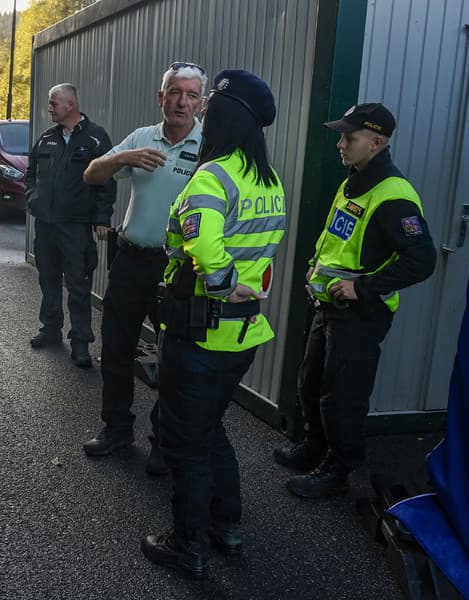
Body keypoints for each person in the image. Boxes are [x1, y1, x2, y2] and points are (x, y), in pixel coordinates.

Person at [140, 70, 286, 578]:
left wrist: (223, 283)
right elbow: (261, 253)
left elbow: (203, 245)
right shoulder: (268, 180)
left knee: (187, 442)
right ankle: (228, 525)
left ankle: (188, 545)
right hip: (241, 336)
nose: (200, 114)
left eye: (208, 109)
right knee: (213, 430)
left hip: (200, 331)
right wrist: (238, 285)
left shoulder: (213, 175)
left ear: (224, 118)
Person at [274, 103, 436, 498]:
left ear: (377, 142)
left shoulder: (393, 195)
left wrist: (363, 288)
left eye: (350, 137)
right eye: (341, 136)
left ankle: (338, 470)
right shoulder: (354, 182)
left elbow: (422, 259)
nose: (340, 144)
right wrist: (314, 267)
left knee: (342, 395)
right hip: (329, 305)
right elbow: (337, 238)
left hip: (361, 313)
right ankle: (314, 446)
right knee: (311, 382)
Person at [81, 62, 207, 474]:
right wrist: (124, 156)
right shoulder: (141, 138)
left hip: (177, 269)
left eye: (190, 94)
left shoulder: (211, 146)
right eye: (174, 92)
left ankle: (162, 442)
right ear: (161, 96)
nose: (181, 101)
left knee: (172, 362)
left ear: (201, 102)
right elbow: (91, 174)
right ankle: (117, 429)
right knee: (116, 349)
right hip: (131, 258)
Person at [26, 83, 116, 368]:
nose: (49, 108)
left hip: (76, 226)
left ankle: (80, 343)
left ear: (70, 105)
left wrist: (101, 218)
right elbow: (30, 172)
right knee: (48, 278)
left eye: (54, 103)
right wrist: (33, 199)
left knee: (78, 284)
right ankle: (50, 329)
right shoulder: (46, 138)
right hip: (46, 225)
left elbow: (107, 181)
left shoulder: (96, 139)